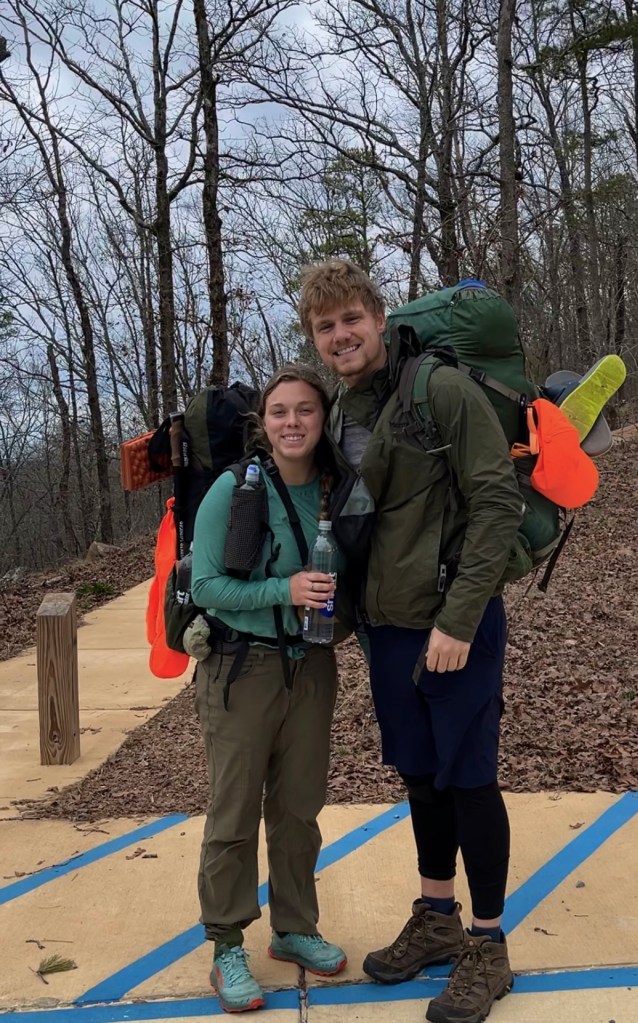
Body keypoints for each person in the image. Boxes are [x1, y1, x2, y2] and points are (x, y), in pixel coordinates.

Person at [299, 260, 525, 1023]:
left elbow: (495, 501)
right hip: (389, 630)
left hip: (453, 624)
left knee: (469, 778)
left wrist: (458, 619)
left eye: (349, 319)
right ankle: (436, 917)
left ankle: (487, 945)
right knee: (421, 777)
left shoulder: (439, 388)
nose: (340, 335)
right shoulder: (340, 410)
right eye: (325, 326)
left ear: (377, 315)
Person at [191, 364, 348, 1013]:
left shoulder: (339, 487)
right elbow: (206, 586)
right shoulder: (234, 489)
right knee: (233, 813)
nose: (292, 422)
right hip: (242, 668)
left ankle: (293, 927)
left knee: (298, 808)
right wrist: (283, 590)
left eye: (305, 409)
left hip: (310, 666)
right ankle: (227, 943)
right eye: (280, 410)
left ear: (323, 417)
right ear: (264, 421)